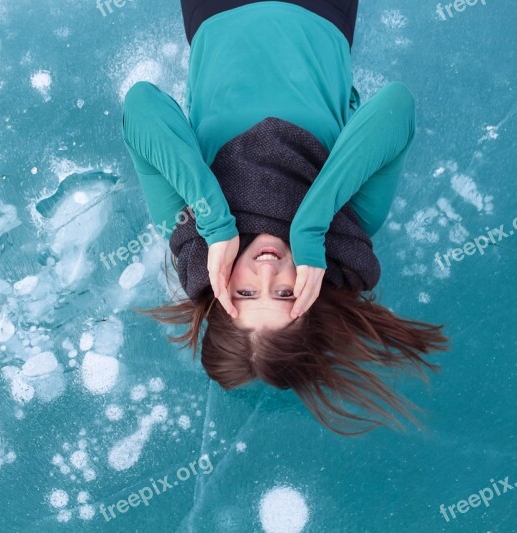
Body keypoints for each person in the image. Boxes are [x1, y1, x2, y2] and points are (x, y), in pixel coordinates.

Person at [121, 0, 448, 434]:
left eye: (247, 292)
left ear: (219, 288)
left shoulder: (188, 226)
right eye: (285, 293)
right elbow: (397, 105)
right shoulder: (349, 224)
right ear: (311, 292)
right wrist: (311, 225)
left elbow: (142, 105)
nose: (267, 269)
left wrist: (216, 223)